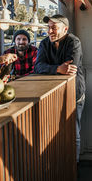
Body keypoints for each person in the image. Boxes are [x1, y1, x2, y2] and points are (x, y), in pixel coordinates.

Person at [34, 14, 86, 162]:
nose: (50, 31)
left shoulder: (74, 42)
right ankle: (59, 167)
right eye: (48, 27)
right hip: (52, 94)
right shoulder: (44, 43)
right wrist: (57, 68)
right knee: (53, 132)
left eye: (54, 28)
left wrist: (51, 68)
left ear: (65, 29)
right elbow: (37, 67)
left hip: (74, 93)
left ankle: (74, 166)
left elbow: (70, 68)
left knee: (73, 131)